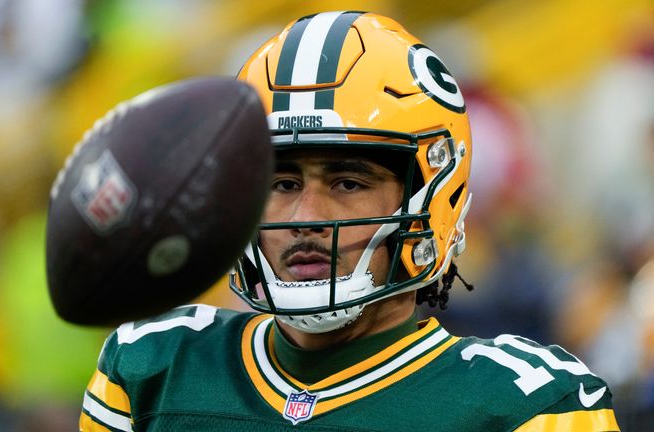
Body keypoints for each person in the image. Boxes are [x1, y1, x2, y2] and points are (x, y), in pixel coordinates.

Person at [78, 11, 619, 431]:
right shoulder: (154, 367)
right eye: (282, 184)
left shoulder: (527, 407)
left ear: (430, 196)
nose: (306, 218)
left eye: (348, 183)